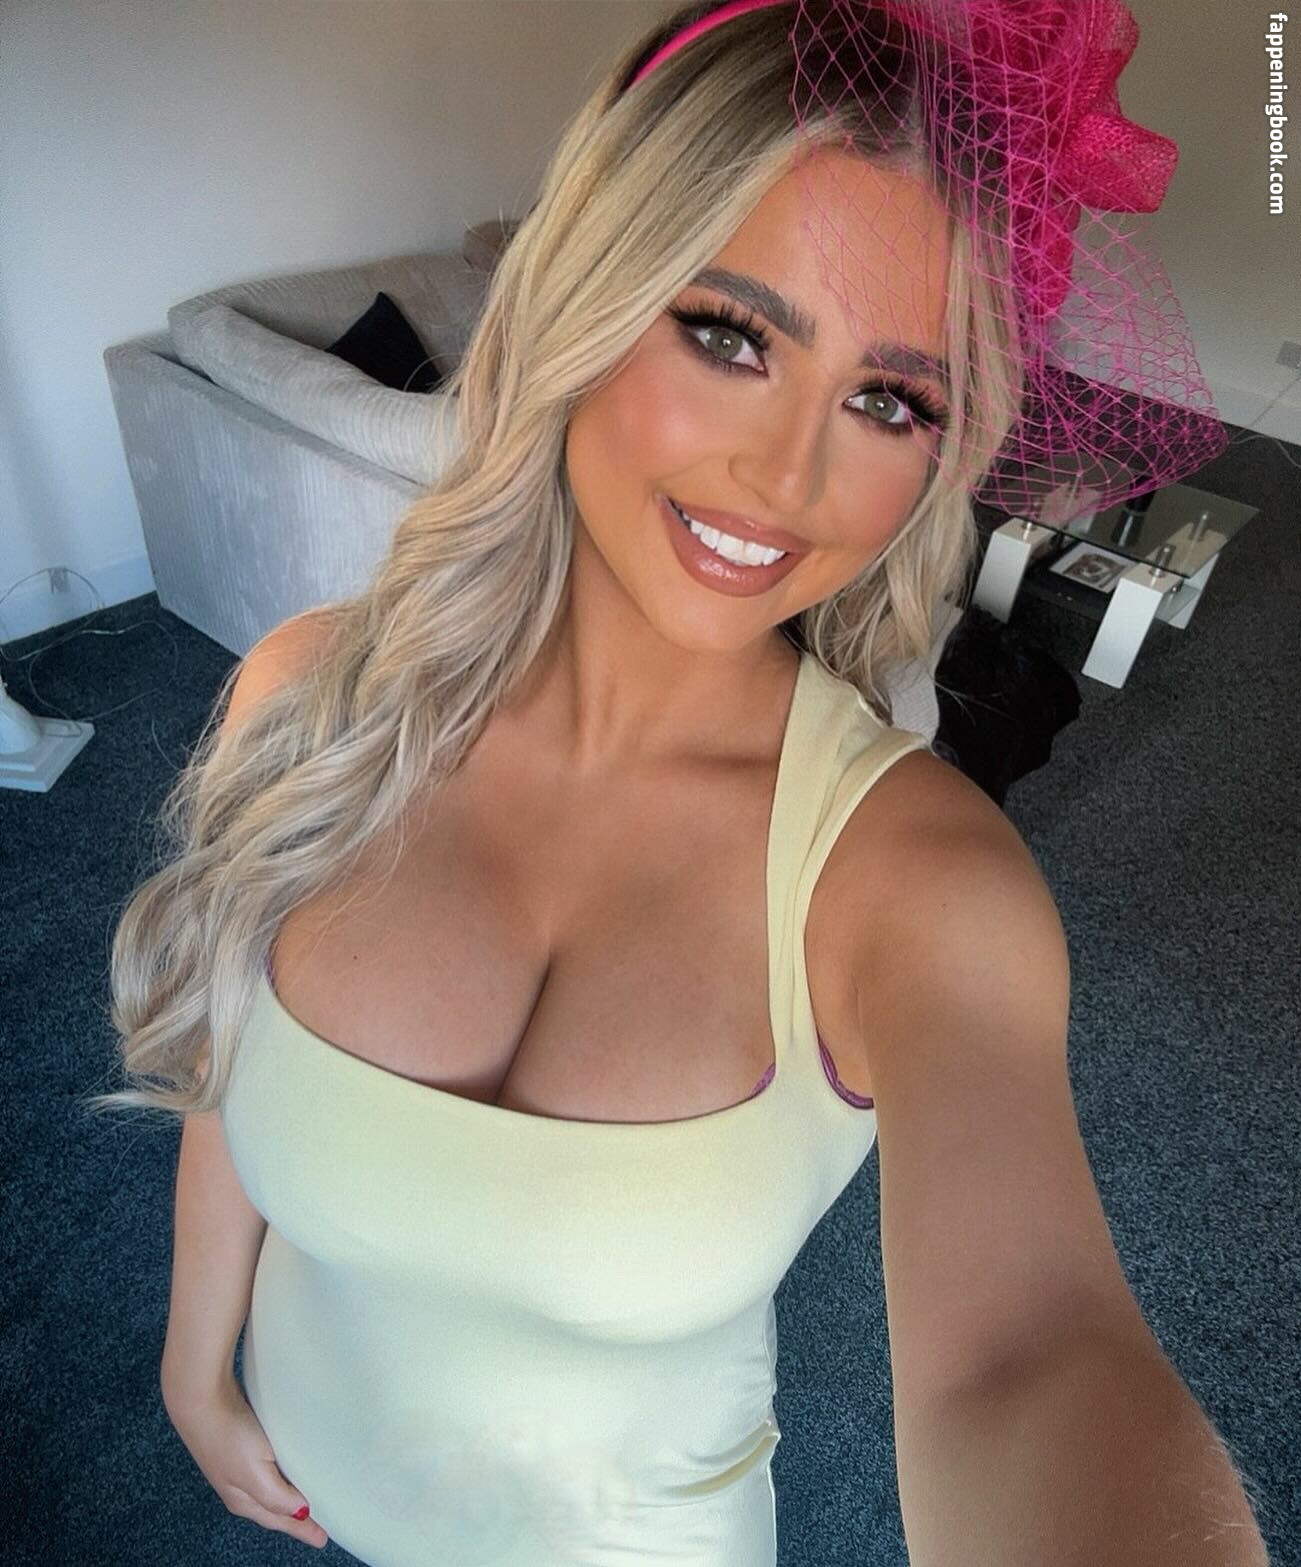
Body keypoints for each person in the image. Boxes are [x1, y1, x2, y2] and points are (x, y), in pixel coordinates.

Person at [87, 3, 1267, 1564]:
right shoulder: (308, 701)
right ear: (580, 304)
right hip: (309, 1466)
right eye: (728, 335)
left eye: (890, 400)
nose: (786, 479)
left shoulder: (916, 884)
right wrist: (194, 1364)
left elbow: (1025, 1358)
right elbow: (228, 1072)